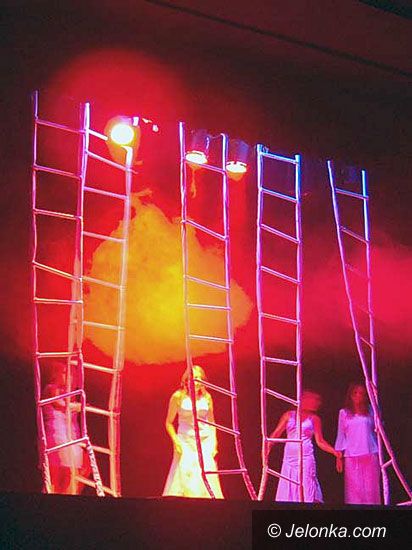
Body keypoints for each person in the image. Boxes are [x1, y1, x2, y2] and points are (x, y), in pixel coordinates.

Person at [267, 390, 341, 503]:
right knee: (289, 487)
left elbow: (320, 441)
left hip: (306, 458)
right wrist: (267, 447)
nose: (317, 403)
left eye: (318, 400)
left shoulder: (314, 419)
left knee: (307, 487)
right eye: (314, 399)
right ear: (304, 399)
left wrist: (334, 452)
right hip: (289, 459)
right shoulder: (289, 415)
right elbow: (276, 433)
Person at [162, 365, 224, 498]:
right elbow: (168, 422)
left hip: (205, 440)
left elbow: (212, 423)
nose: (196, 381)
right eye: (193, 378)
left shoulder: (207, 397)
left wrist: (214, 443)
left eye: (199, 378)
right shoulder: (178, 397)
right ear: (186, 380)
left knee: (205, 472)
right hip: (185, 440)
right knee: (185, 473)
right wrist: (175, 441)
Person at [335, 383, 381, 504]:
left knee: (371, 488)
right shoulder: (344, 413)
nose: (358, 396)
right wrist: (338, 456)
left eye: (361, 393)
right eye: (355, 393)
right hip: (352, 455)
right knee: (354, 490)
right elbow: (341, 434)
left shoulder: (371, 410)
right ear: (350, 395)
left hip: (370, 452)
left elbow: (379, 428)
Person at [42, 366, 84, 494]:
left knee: (72, 474)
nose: (70, 376)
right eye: (65, 372)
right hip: (57, 436)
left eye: (72, 373)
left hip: (70, 438)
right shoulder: (51, 388)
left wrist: (77, 405)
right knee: (55, 477)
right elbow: (59, 404)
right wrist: (77, 406)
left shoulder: (69, 392)